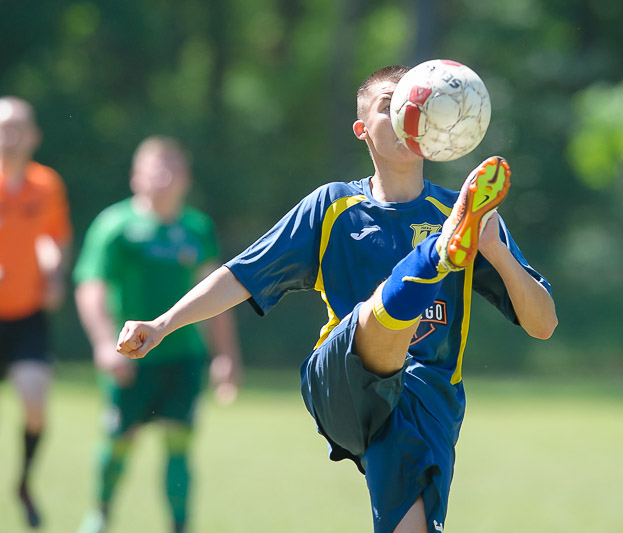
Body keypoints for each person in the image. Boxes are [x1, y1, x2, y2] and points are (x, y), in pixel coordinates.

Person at [116, 65, 558, 532]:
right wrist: (163, 323)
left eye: (417, 103)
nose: (407, 113)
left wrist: (494, 251)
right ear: (362, 129)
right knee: (379, 320)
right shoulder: (333, 206)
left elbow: (543, 323)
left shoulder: (468, 214)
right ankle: (436, 255)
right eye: (390, 105)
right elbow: (239, 275)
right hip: (344, 381)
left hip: (429, 400)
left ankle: (437, 256)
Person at [73, 136, 242, 533]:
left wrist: (226, 355)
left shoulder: (197, 229)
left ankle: (180, 525)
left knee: (179, 442)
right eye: (155, 169)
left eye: (172, 169)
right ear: (136, 177)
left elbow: (215, 292)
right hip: (130, 355)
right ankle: (100, 514)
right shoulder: (116, 226)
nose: (164, 177)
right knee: (119, 439)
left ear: (186, 179)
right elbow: (90, 286)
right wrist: (104, 344)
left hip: (183, 357)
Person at [0, 96, 72, 529]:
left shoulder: (46, 184)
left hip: (27, 316)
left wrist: (55, 273)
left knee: (35, 404)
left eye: (16, 127)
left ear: (33, 136)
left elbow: (54, 238)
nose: (8, 135)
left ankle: (24, 483)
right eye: (2, 127)